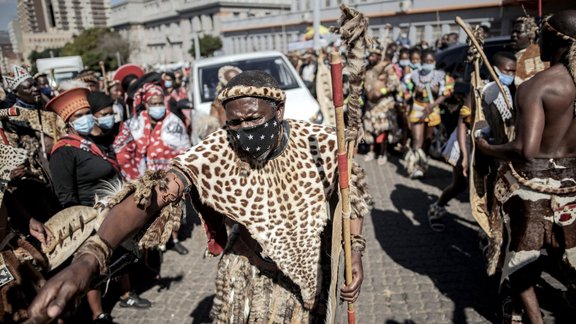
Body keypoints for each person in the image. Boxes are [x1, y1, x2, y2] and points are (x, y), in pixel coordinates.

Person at [27, 70, 371, 323]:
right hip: (252, 275)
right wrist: (92, 256)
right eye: (234, 123)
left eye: (253, 119)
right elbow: (157, 191)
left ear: (278, 112)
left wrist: (353, 252)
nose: (243, 131)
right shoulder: (217, 150)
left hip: (312, 269)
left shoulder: (321, 143)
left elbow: (350, 198)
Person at [476, 10, 576, 324]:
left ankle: (534, 319)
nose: (536, 40)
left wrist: (487, 147)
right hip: (572, 183)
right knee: (569, 256)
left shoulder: (538, 86)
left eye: (542, 34)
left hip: (532, 186)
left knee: (521, 262)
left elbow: (525, 149)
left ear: (554, 40)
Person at [427, 51, 517, 232]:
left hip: (490, 146)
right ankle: (436, 208)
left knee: (491, 188)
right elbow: (463, 124)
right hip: (467, 143)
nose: (511, 75)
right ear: (494, 70)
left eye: (514, 71)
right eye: (507, 71)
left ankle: (486, 230)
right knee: (459, 184)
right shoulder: (479, 90)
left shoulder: (510, 91)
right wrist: (464, 156)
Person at [114, 83, 191, 255]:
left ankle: (175, 240)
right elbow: (125, 146)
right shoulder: (135, 123)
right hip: (144, 175)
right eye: (153, 103)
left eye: (160, 102)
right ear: (146, 104)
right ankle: (153, 245)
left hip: (169, 173)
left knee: (172, 207)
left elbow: (185, 148)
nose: (158, 107)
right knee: (149, 210)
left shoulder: (174, 121)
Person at [404, 50, 454, 178]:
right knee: (417, 139)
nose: (428, 64)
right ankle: (414, 166)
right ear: (421, 62)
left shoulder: (441, 76)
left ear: (435, 62)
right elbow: (407, 92)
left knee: (428, 139)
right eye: (425, 61)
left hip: (432, 110)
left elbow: (446, 93)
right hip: (417, 109)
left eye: (430, 61)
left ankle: (423, 163)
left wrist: (432, 105)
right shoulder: (413, 75)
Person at [362, 47, 401, 164]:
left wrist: (382, 92)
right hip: (370, 104)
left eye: (373, 56)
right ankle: (371, 151)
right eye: (369, 56)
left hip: (383, 104)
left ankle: (383, 153)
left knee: (383, 129)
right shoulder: (367, 68)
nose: (370, 58)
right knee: (369, 129)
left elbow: (395, 83)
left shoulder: (387, 68)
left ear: (379, 56)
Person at [511, 15, 549, 86]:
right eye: (513, 32)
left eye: (518, 32)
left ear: (530, 34)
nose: (513, 35)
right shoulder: (515, 55)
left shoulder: (537, 56)